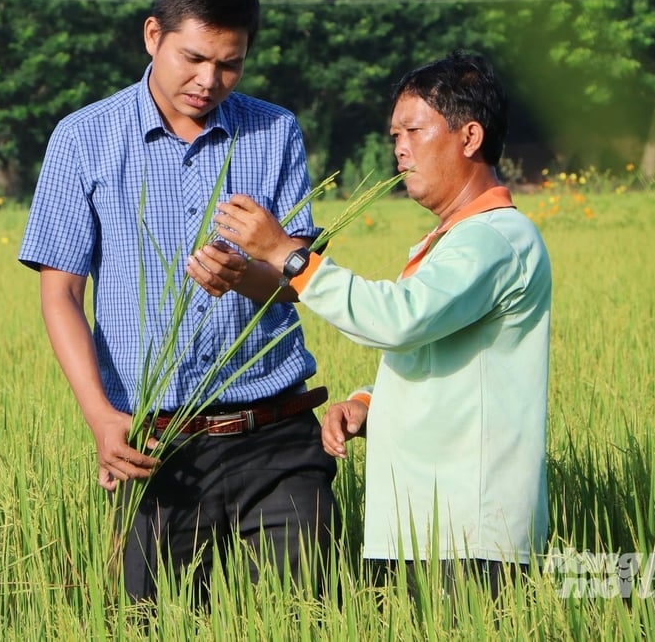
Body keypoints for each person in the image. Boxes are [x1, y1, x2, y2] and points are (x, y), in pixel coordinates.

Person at [18, 0, 335, 603]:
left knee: (308, 616)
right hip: (155, 444)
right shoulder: (84, 139)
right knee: (154, 621)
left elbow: (296, 278)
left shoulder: (274, 132)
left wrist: (247, 275)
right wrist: (102, 419)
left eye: (229, 64)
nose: (208, 80)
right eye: (193, 57)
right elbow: (61, 292)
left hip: (277, 433)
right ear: (152, 36)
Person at [211, 50, 551, 598]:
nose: (399, 148)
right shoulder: (456, 240)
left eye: (414, 130)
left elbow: (399, 320)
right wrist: (369, 404)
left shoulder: (493, 239)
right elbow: (439, 357)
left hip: (466, 533)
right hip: (426, 528)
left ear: (469, 137)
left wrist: (288, 256)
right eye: (395, 133)